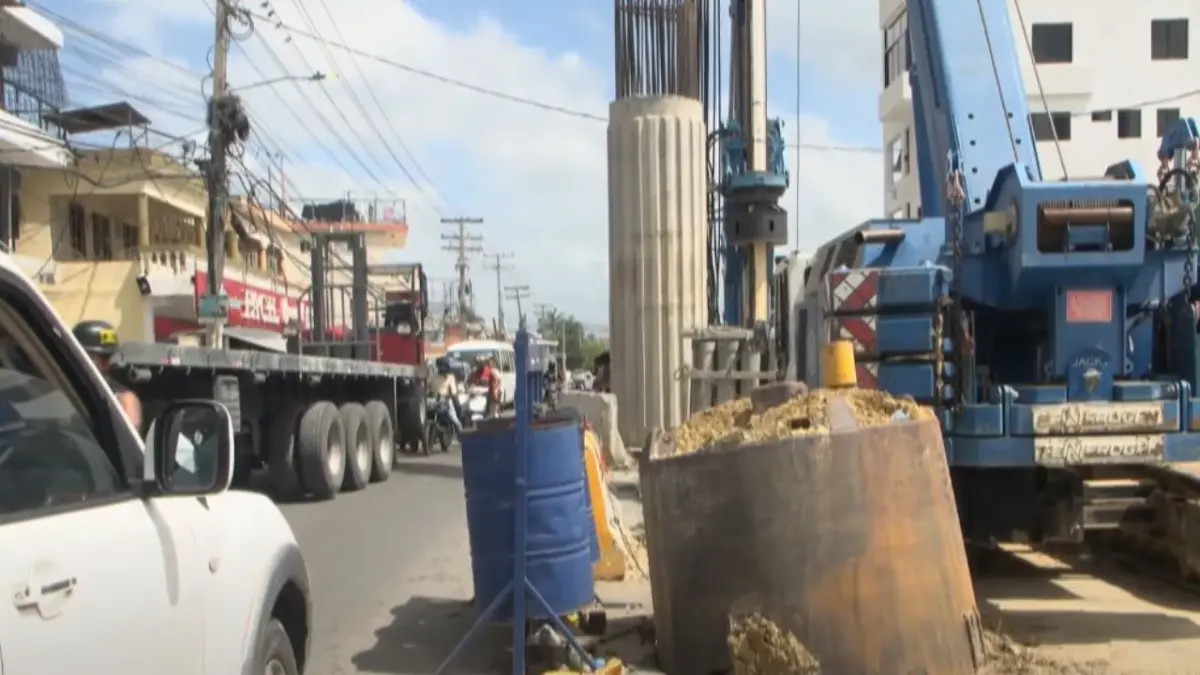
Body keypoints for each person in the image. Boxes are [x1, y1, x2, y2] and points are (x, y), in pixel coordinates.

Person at [73, 320, 142, 431]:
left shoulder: (124, 399)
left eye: (107, 357)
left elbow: (127, 436)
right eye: (98, 357)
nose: (106, 363)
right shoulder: (58, 381)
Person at [430, 356, 463, 433]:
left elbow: (454, 392)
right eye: (440, 366)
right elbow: (429, 388)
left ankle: (460, 430)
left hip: (446, 401)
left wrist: (449, 398)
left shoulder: (450, 377)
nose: (441, 368)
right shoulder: (434, 377)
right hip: (434, 401)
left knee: (453, 418)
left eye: (443, 366)